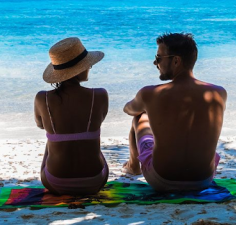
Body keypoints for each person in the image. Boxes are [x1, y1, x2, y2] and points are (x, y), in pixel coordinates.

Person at [123, 32, 226, 192]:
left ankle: (133, 166)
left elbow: (128, 109)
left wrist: (149, 107)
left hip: (162, 180)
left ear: (176, 61)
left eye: (158, 58)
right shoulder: (218, 93)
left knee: (139, 116)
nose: (155, 63)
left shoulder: (150, 93)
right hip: (203, 180)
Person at [35, 37, 109, 195]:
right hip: (94, 180)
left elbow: (41, 125)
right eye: (87, 64)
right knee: (88, 138)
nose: (90, 67)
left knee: (52, 137)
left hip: (56, 182)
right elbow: (99, 120)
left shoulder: (42, 98)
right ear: (80, 69)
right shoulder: (100, 95)